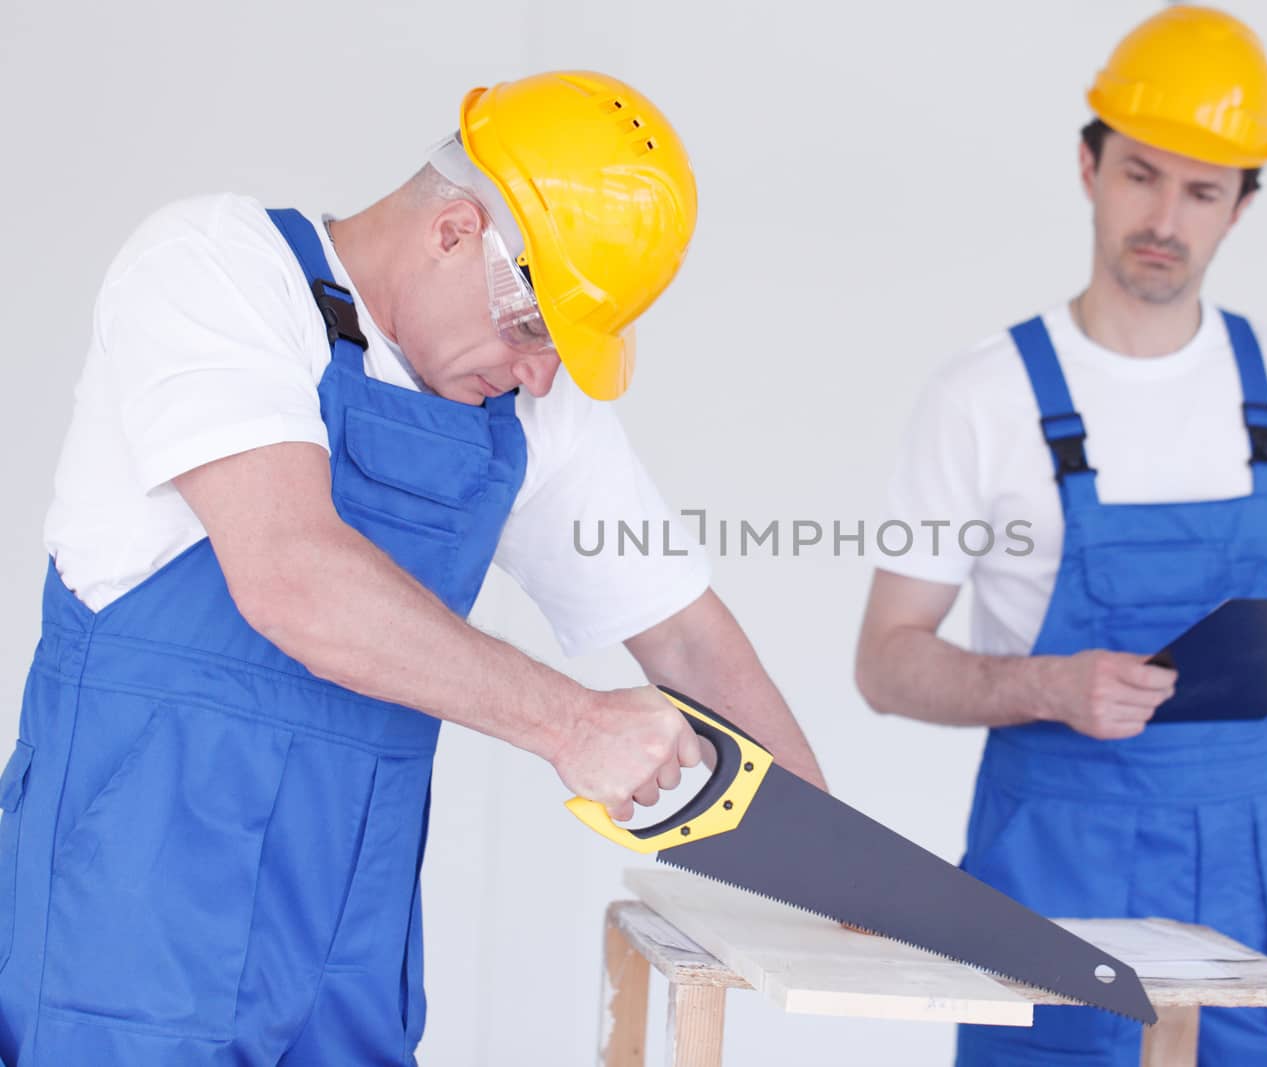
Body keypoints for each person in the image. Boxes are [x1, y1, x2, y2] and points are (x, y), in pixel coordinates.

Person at [0, 70, 823, 1065]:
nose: (542, 373)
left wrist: (841, 864)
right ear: (456, 232)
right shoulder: (218, 268)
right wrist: (573, 721)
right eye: (537, 328)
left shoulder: (523, 401)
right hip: (134, 919)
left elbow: (685, 630)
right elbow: (291, 571)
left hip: (352, 935)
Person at [852, 8, 1267, 1064]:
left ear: (1240, 206)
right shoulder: (980, 395)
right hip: (1049, 873)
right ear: (1088, 165)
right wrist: (1046, 686)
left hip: (1248, 872)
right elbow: (884, 665)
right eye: (1139, 175)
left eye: (1202, 190)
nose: (1164, 215)